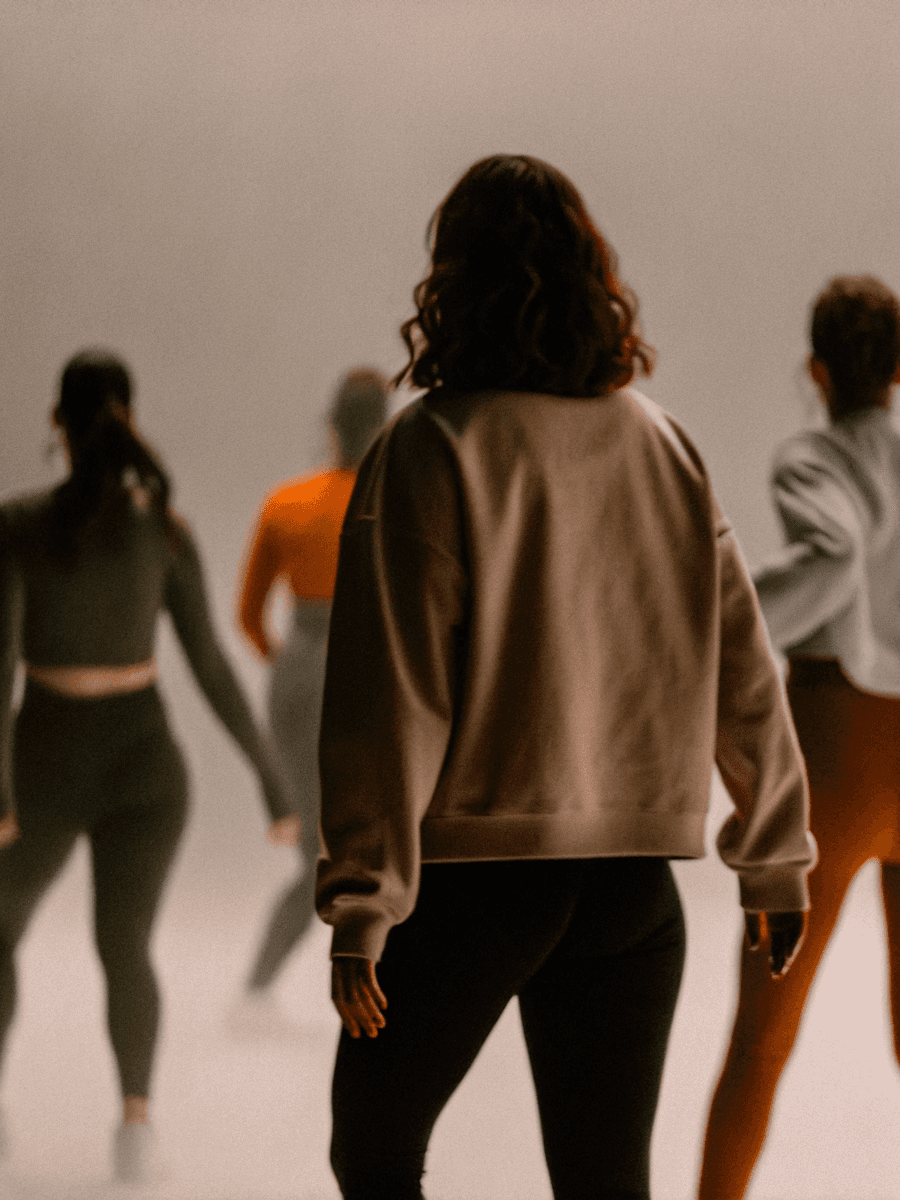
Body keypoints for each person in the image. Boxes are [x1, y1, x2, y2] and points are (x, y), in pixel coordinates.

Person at [312, 154, 817, 1200]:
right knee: (605, 1183)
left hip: (479, 881)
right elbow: (745, 670)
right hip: (636, 890)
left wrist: (366, 900)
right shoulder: (663, 444)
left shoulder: (431, 449)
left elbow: (389, 697)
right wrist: (773, 858)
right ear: (595, 277)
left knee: (374, 1151)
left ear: (449, 281)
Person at [0, 350, 299, 1183]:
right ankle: (136, 1130)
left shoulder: (18, 526)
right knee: (125, 944)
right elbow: (208, 666)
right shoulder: (161, 528)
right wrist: (270, 778)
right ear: (130, 416)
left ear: (57, 423)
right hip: (145, 767)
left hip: (44, 762)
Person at [698, 275, 900, 1199]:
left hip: (838, 744)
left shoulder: (812, 459)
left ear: (816, 369)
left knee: (764, 1035)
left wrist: (716, 635)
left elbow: (834, 555)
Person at [232, 367, 389, 1030]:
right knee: (379, 844)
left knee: (319, 853)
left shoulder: (286, 503)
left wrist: (294, 667)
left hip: (299, 674)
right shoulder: (401, 505)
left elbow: (247, 617)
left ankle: (258, 991)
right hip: (373, 673)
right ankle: (366, 990)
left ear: (331, 424)